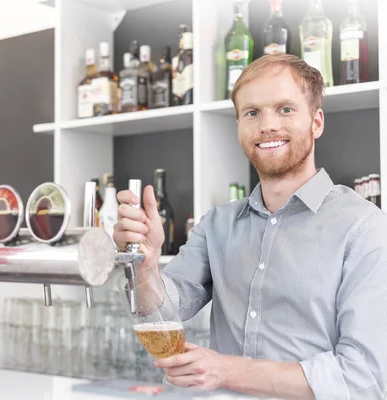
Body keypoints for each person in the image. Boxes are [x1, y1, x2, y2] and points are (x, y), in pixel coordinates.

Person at [113, 54, 387, 400]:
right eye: (252, 112)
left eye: (285, 109)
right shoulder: (217, 225)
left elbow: (363, 378)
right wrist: (145, 267)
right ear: (240, 126)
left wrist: (226, 370)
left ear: (316, 122)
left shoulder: (364, 228)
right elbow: (164, 316)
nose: (267, 125)